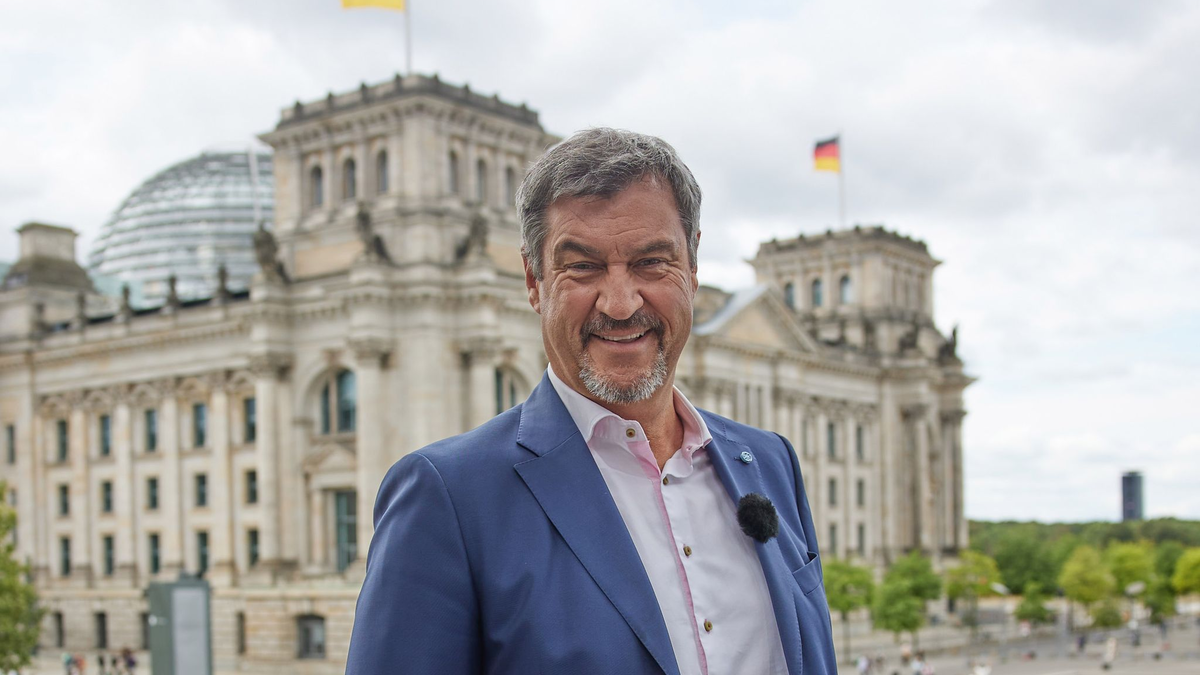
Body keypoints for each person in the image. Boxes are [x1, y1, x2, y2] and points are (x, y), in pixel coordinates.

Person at [346, 128, 837, 674]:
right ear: (534, 281)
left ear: (693, 270)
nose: (620, 304)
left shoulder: (770, 462)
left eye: (652, 262)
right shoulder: (448, 496)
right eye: (583, 266)